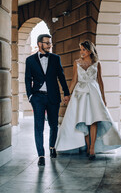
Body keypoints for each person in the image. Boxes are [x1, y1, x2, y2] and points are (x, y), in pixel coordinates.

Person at [55, 40, 121, 160]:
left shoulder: (97, 63)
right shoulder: (76, 63)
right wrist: (67, 94)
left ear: (89, 51)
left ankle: (92, 148)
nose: (81, 52)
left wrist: (103, 97)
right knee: (83, 121)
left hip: (94, 93)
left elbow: (100, 81)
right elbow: (74, 80)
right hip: (79, 94)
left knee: (94, 120)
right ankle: (87, 147)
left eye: (83, 49)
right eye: (80, 49)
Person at [25, 34, 70, 166]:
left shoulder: (56, 59)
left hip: (53, 97)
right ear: (40, 44)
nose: (50, 45)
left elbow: (61, 77)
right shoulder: (30, 60)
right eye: (47, 43)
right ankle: (41, 155)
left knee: (53, 125)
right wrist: (30, 96)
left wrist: (66, 93)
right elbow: (28, 79)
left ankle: (52, 147)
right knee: (38, 127)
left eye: (50, 43)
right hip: (37, 97)